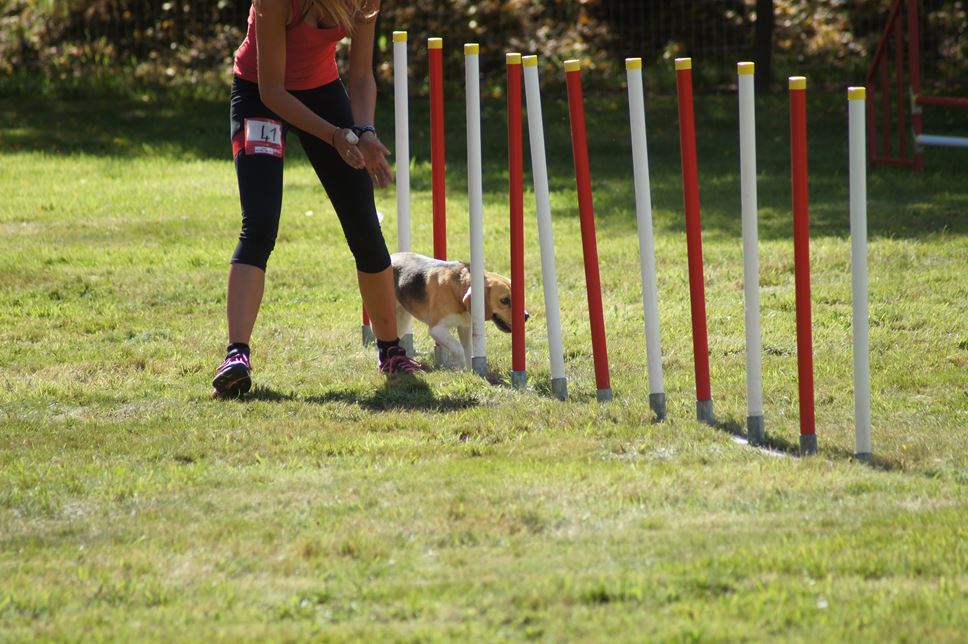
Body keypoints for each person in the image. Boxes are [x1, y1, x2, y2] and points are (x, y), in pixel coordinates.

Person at [212, 0, 422, 398]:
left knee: (363, 224)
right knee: (259, 225)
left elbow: (360, 76)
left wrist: (363, 130)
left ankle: (391, 352)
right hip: (260, 94)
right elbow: (273, 91)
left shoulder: (365, 0)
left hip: (322, 91)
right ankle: (236, 355)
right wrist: (334, 136)